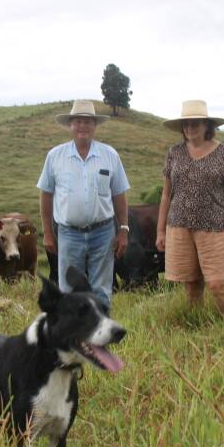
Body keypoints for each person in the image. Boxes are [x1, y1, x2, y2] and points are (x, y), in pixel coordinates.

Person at [155, 100, 224, 321]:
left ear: (207, 125)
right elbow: (166, 195)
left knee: (216, 283)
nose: (190, 127)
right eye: (186, 123)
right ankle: (198, 326)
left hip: (215, 226)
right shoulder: (174, 153)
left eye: (195, 123)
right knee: (192, 284)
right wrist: (160, 231)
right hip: (179, 225)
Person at [37, 100, 130, 307]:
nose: (82, 126)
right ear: (70, 125)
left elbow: (119, 195)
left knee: (102, 291)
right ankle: (72, 337)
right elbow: (46, 195)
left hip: (103, 232)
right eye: (78, 121)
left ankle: (100, 337)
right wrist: (47, 232)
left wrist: (123, 228)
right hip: (69, 233)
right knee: (69, 291)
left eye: (87, 122)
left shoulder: (110, 155)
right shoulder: (55, 157)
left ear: (95, 126)